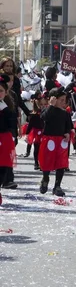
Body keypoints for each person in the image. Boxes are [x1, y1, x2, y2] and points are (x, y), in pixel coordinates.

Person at [38, 87, 72, 197]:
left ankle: (57, 185)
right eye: (61, 100)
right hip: (49, 140)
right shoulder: (48, 110)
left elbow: (69, 125)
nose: (63, 102)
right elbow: (44, 117)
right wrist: (51, 106)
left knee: (61, 163)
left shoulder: (65, 113)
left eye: (64, 100)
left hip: (61, 140)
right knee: (47, 161)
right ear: (53, 99)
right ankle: (45, 178)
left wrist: (67, 132)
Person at [0, 74, 17, 203]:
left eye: (0, 91)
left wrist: (14, 136)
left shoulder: (8, 109)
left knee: (3, 167)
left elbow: (12, 125)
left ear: (5, 93)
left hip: (4, 139)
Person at [24, 93, 47, 170]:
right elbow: (30, 125)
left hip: (44, 133)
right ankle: (36, 162)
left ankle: (42, 163)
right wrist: (27, 134)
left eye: (45, 104)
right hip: (36, 133)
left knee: (43, 149)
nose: (43, 106)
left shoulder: (47, 114)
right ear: (37, 104)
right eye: (41, 104)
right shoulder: (34, 115)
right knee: (37, 148)